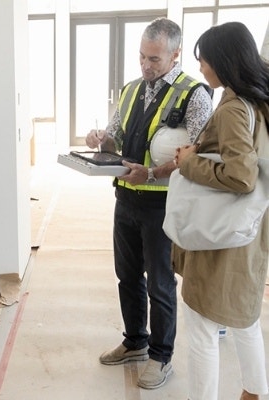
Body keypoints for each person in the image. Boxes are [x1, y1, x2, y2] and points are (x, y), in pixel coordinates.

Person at [85, 17, 213, 389]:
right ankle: (135, 342)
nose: (145, 65)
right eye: (142, 56)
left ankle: (161, 356)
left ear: (175, 55)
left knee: (160, 283)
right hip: (125, 198)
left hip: (163, 206)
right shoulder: (130, 90)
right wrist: (101, 140)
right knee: (127, 276)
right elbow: (117, 136)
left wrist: (154, 173)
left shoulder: (194, 95)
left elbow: (201, 154)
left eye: (154, 59)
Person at [173, 21, 269, 400]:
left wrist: (187, 162)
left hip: (220, 234)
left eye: (204, 60)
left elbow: (241, 176)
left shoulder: (232, 107)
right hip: (250, 229)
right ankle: (255, 391)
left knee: (201, 327)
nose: (201, 68)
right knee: (245, 317)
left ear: (224, 61)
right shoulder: (260, 99)